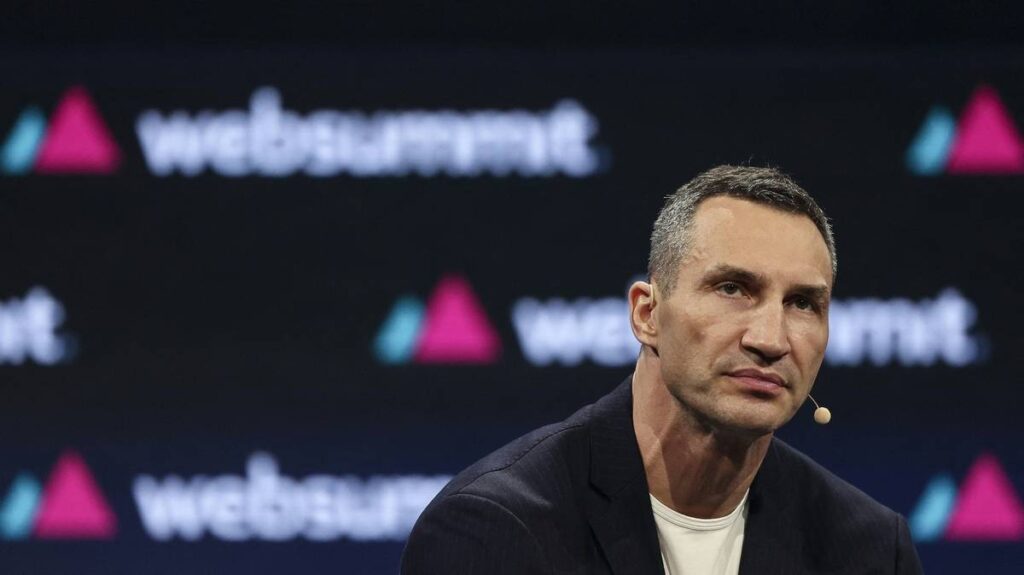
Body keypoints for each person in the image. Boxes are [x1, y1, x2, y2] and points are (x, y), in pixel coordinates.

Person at [401, 165, 923, 574]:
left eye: (803, 303)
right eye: (732, 289)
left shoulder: (870, 551)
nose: (770, 340)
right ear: (647, 314)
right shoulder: (498, 529)